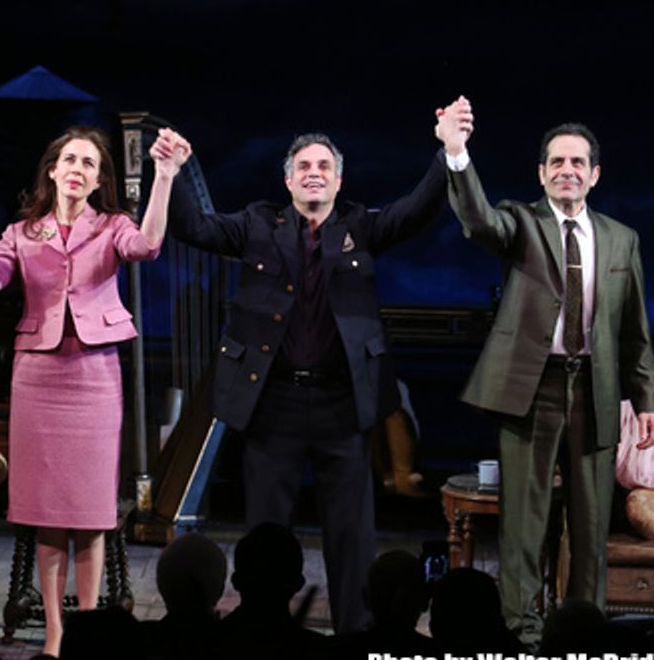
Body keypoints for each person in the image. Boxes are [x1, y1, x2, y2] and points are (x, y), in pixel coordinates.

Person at [155, 116, 455, 633]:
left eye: (324, 166)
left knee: (352, 533)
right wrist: (173, 174)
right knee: (267, 533)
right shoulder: (256, 223)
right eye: (303, 166)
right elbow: (194, 228)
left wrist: (448, 152)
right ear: (288, 181)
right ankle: (265, 633)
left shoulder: (360, 226)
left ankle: (357, 639)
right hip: (273, 404)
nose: (313, 173)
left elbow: (416, 212)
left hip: (344, 404)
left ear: (338, 181)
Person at [438, 99, 654, 646]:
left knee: (589, 529)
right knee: (524, 524)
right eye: (556, 162)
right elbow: (477, 220)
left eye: (577, 162)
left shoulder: (620, 239)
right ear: (541, 173)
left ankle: (582, 632)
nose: (567, 170)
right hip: (532, 389)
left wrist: (647, 400)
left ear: (595, 174)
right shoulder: (521, 222)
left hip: (597, 389)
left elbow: (635, 330)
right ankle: (523, 634)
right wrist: (457, 152)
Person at [0, 125, 184, 657]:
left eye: (90, 163)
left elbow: (148, 245)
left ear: (98, 177)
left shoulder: (111, 226)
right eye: (71, 160)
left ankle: (86, 627)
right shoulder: (22, 233)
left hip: (94, 376)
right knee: (47, 509)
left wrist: (165, 178)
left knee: (90, 509)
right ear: (53, 170)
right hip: (38, 377)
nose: (79, 169)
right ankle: (56, 633)